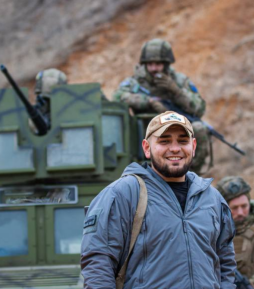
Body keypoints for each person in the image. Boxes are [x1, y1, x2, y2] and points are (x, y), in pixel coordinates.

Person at [81, 111, 236, 289]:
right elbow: (98, 262)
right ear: (147, 148)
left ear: (193, 146)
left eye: (183, 141)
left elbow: (226, 263)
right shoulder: (124, 193)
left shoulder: (212, 198)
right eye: (164, 141)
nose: (175, 148)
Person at [112, 39, 210, 173]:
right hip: (144, 132)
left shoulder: (179, 80)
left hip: (176, 129)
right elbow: (118, 97)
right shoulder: (136, 82)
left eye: (158, 64)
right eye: (150, 64)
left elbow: (199, 108)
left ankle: (189, 173)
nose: (153, 68)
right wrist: (148, 102)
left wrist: (176, 91)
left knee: (199, 128)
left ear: (166, 64)